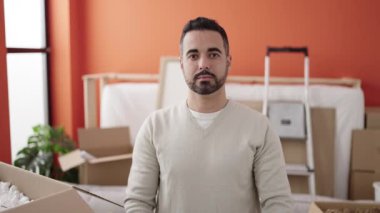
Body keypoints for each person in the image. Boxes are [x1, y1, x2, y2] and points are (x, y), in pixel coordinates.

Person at [124, 17, 293, 212]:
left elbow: (278, 204)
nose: (203, 64)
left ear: (228, 60)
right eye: (193, 56)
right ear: (181, 64)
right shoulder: (154, 127)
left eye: (213, 54)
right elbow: (138, 203)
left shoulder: (259, 127)